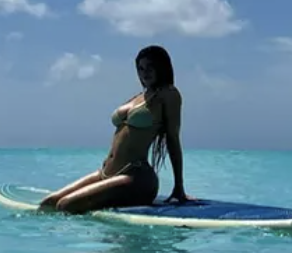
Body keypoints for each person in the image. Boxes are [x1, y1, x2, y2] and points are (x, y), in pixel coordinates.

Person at [39, 44, 188, 214]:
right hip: (106, 172)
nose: (144, 72)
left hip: (135, 178)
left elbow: (173, 139)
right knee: (49, 203)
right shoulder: (139, 96)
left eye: (150, 67)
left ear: (162, 67)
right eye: (140, 68)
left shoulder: (169, 94)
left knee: (65, 205)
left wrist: (179, 187)